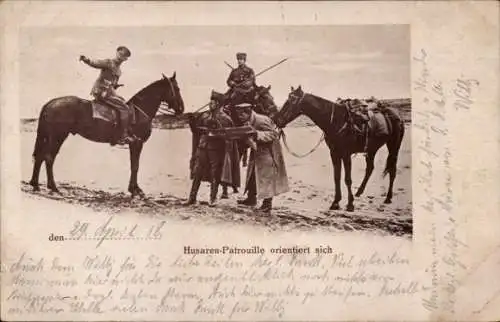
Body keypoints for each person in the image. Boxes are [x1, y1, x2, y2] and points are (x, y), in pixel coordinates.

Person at [234, 105, 289, 213]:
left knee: (267, 177)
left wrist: (257, 134)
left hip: (269, 152)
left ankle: (267, 204)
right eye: (238, 115)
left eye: (241, 115)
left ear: (248, 112)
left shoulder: (261, 120)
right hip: (257, 150)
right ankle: (251, 199)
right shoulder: (247, 121)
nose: (240, 117)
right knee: (252, 176)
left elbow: (274, 134)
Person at [80, 46, 136, 145]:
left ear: (125, 59)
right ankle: (123, 136)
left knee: (123, 101)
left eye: (123, 56)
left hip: (109, 91)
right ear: (117, 53)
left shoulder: (119, 70)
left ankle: (121, 130)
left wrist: (115, 85)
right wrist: (86, 60)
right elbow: (96, 63)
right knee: (124, 108)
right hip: (101, 91)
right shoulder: (108, 63)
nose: (120, 57)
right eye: (120, 54)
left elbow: (112, 83)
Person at [185, 95, 235, 207]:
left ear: (218, 104)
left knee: (215, 173)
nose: (210, 104)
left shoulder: (226, 118)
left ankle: (212, 199)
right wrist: (192, 122)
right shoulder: (205, 115)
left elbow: (228, 136)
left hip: (216, 149)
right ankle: (192, 198)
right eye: (210, 101)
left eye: (212, 102)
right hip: (202, 147)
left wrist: (215, 130)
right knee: (197, 172)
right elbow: (196, 131)